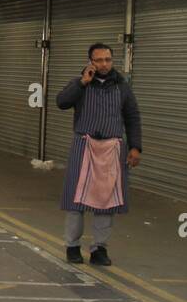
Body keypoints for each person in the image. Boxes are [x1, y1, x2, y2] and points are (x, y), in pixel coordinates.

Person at [57, 42, 142, 267]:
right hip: (84, 146)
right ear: (90, 62)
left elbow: (133, 117)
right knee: (76, 199)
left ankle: (99, 249)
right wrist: (82, 83)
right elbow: (61, 102)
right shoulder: (79, 84)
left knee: (107, 202)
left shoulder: (122, 86)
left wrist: (135, 147)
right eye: (99, 60)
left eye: (108, 60)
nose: (104, 64)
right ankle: (72, 246)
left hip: (112, 148)